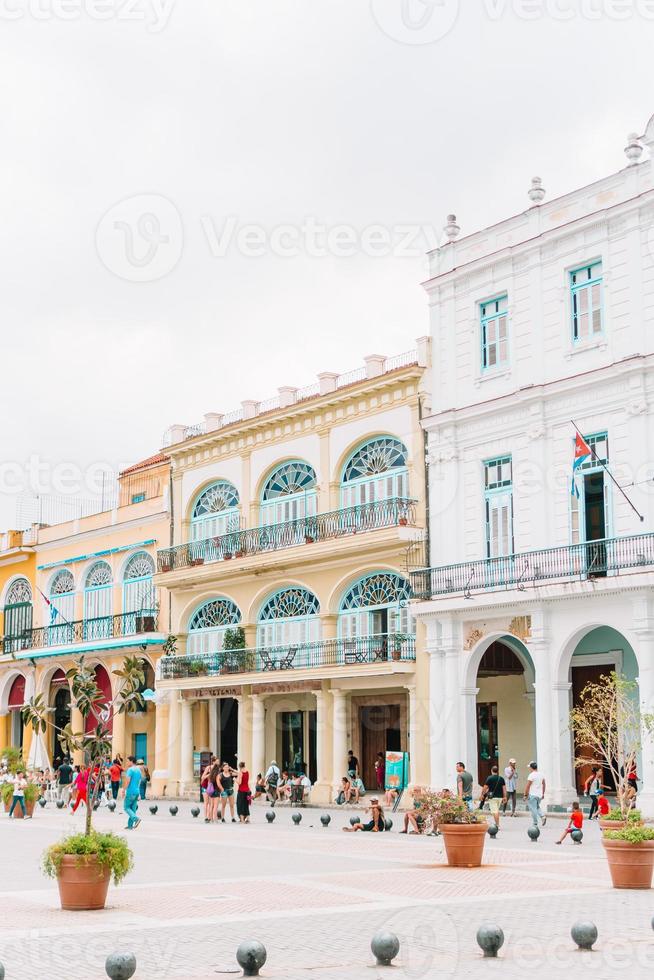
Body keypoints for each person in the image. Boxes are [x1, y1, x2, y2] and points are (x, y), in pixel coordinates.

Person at [524, 761, 547, 828]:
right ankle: (543, 816)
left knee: (533, 808)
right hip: (539, 795)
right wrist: (543, 793)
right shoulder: (541, 774)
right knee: (537, 807)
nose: (529, 769)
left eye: (530, 767)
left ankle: (535, 823)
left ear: (531, 768)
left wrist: (525, 794)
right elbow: (544, 784)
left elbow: (528, 786)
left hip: (532, 794)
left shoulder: (531, 775)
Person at [123, 756, 142, 830]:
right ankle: (130, 825)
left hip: (130, 791)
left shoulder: (130, 770)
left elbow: (128, 781)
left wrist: (123, 790)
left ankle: (136, 819)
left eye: (128, 761)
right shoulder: (139, 770)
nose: (127, 763)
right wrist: (139, 792)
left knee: (126, 807)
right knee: (133, 809)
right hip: (136, 791)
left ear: (131, 761)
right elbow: (139, 782)